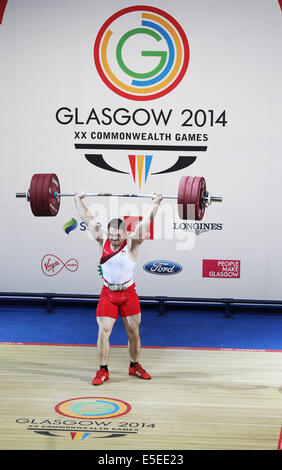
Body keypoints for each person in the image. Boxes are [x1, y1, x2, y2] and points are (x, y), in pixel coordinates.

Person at [74, 191, 163, 385]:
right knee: (103, 332)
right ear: (109, 233)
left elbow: (146, 222)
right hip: (108, 294)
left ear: (124, 233)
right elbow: (87, 218)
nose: (114, 239)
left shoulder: (132, 243)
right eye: (112, 235)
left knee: (133, 332)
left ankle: (134, 366)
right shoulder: (102, 239)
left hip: (128, 293)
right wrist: (77, 200)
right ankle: (103, 371)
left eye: (118, 236)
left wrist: (156, 203)